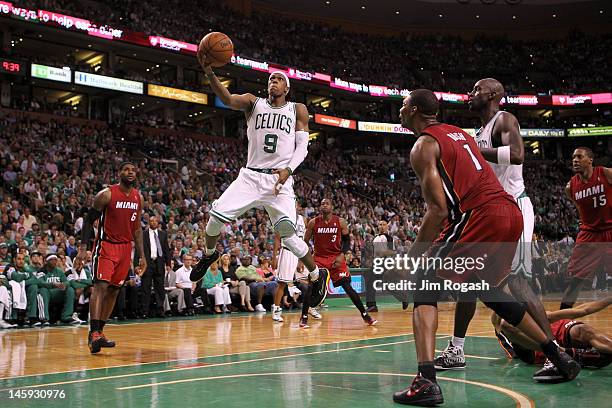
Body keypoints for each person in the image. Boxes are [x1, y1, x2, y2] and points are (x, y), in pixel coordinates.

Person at [392, 89, 579, 406]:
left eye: (402, 106)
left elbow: (437, 210)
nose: (398, 111)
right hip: (509, 213)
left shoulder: (423, 145)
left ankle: (426, 380)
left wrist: (411, 262)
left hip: (480, 215)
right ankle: (557, 355)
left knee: (424, 285)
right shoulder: (460, 134)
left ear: (413, 111)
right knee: (492, 291)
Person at [436, 78, 553, 370]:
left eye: (476, 90)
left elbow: (517, 154)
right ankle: (457, 350)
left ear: (493, 94)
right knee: (468, 281)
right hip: (491, 214)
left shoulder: (505, 119)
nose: (470, 95)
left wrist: (473, 152)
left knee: (518, 281)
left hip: (514, 207)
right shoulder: (478, 133)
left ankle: (554, 355)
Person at [190, 54, 323, 297]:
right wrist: (209, 72)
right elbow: (228, 98)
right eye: (271, 78)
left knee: (290, 238)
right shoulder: (254, 103)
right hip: (250, 177)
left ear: (287, 87)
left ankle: (316, 275)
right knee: (214, 219)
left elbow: (302, 147)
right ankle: (209, 255)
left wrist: (288, 170)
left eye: (279, 79)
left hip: (279, 182)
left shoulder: (297, 110)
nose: (273, 81)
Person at [81, 162, 146, 354]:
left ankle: (99, 332)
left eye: (134, 169)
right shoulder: (106, 194)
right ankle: (93, 332)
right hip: (106, 245)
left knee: (114, 291)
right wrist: (83, 248)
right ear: (120, 173)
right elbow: (87, 221)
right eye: (126, 169)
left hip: (126, 248)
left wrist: (141, 255)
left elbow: (137, 229)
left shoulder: (138, 198)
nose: (130, 172)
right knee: (100, 286)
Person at [492, 297, 612, 379]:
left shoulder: (542, 314)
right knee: (506, 324)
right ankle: (562, 352)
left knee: (585, 331)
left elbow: (583, 310)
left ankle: (572, 354)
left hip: (551, 333)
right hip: (531, 349)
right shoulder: (499, 316)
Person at [304, 198, 377, 328]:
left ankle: (365, 315)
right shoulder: (313, 223)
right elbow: (304, 242)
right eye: (322, 204)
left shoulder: (340, 222)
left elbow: (347, 242)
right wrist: (304, 259)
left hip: (335, 258)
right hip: (319, 258)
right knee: (312, 285)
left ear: (332, 207)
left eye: (327, 203)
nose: (324, 205)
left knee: (348, 287)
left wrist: (342, 255)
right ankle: (303, 317)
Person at [559, 148, 611, 309]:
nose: (575, 160)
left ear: (590, 160)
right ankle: (562, 318)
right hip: (589, 234)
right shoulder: (570, 187)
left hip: (610, 229)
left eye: (579, 157)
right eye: (573, 157)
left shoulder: (606, 173)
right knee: (576, 279)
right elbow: (580, 209)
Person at [271, 201, 319, 321]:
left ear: (300, 207)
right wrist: (274, 257)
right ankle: (276, 310)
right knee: (282, 283)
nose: (294, 206)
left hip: (300, 253)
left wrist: (301, 260)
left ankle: (310, 307)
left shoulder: (304, 220)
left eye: (296, 205)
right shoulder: (283, 218)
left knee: (311, 281)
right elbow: (277, 238)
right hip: (287, 251)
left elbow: (303, 240)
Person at [136, 216, 171, 318]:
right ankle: (144, 311)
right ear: (148, 222)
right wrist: (136, 265)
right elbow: (138, 249)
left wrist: (168, 263)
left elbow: (166, 250)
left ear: (158, 222)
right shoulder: (143, 234)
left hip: (159, 263)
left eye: (155, 221)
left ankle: (160, 310)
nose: (153, 222)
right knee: (145, 288)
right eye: (151, 221)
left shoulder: (163, 234)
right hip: (147, 264)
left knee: (160, 288)